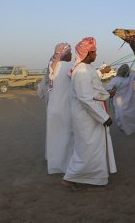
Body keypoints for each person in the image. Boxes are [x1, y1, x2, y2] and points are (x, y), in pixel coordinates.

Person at [62, 37, 117, 189]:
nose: (96, 55)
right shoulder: (81, 72)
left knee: (94, 147)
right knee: (87, 148)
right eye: (94, 52)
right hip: (86, 116)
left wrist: (107, 94)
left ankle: (93, 178)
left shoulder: (89, 69)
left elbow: (94, 90)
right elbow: (84, 98)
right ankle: (71, 177)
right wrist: (104, 117)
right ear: (87, 53)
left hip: (92, 114)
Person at [46, 43, 73, 174]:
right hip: (64, 108)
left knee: (54, 136)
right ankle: (65, 166)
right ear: (66, 54)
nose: (72, 55)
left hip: (52, 108)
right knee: (65, 137)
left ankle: (53, 164)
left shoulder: (51, 64)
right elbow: (82, 77)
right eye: (70, 52)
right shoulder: (68, 66)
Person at [105, 64, 135, 135]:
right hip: (119, 102)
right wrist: (111, 90)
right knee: (121, 116)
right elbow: (108, 89)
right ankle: (125, 129)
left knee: (133, 115)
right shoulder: (115, 79)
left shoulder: (131, 76)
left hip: (130, 101)